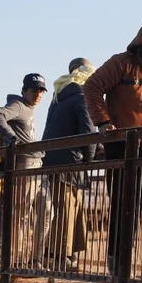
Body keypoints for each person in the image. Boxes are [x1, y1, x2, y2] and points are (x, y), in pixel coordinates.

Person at [83, 18, 142, 275]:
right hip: (122, 143)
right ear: (139, 46)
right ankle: (119, 263)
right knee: (127, 206)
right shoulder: (121, 64)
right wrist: (103, 122)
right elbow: (92, 86)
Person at [42, 59, 98, 271]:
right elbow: (88, 132)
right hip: (69, 161)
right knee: (67, 209)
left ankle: (69, 255)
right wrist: (90, 159)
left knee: (72, 207)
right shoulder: (83, 96)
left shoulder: (59, 95)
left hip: (54, 158)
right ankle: (59, 257)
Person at [0, 74, 48, 265]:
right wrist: (11, 137)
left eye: (41, 91)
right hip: (26, 164)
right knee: (21, 214)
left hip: (37, 164)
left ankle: (35, 258)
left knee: (47, 211)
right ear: (24, 91)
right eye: (34, 90)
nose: (38, 95)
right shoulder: (19, 105)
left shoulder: (27, 108)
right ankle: (16, 260)